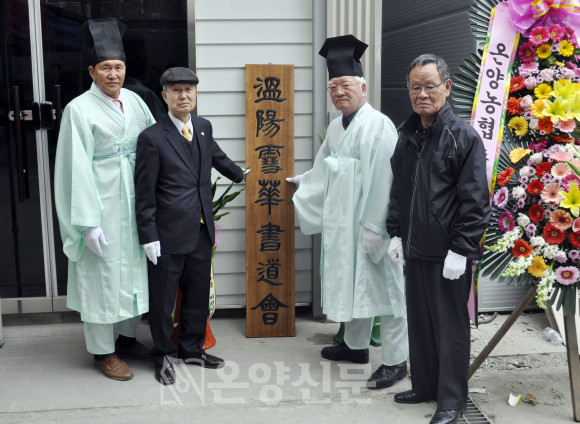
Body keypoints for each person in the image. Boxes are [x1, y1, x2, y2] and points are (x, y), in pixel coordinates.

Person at [287, 34, 408, 390]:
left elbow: (384, 179)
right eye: (333, 87)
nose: (339, 92)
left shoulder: (378, 125)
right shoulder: (336, 127)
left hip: (372, 225)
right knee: (355, 284)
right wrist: (303, 181)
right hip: (344, 222)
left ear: (363, 87)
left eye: (345, 85)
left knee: (386, 290)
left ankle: (396, 361)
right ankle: (355, 348)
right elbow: (325, 167)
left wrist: (375, 226)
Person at [386, 54, 491, 424]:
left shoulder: (462, 136)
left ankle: (451, 399)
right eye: (415, 87)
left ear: (446, 87)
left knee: (450, 329)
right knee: (420, 323)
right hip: (415, 249)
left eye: (430, 86)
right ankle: (425, 386)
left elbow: (475, 200)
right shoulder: (407, 135)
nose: (422, 94)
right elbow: (399, 190)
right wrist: (395, 233)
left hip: (449, 255)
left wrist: (462, 249)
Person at [54, 19, 155, 381]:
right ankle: (102, 351)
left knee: (133, 271)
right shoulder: (78, 110)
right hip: (102, 204)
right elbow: (75, 169)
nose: (113, 74)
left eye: (119, 67)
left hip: (135, 202)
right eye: (105, 68)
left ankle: (127, 339)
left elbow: (153, 146)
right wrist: (87, 223)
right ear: (92, 72)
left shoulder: (136, 101)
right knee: (101, 274)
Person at [134, 67, 246, 385]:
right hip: (167, 234)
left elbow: (216, 156)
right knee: (164, 300)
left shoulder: (203, 127)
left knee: (197, 293)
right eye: (176, 90)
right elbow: (144, 193)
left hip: (200, 228)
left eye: (189, 89)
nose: (184, 95)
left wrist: (241, 175)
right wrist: (149, 236)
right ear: (164, 95)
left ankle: (192, 349)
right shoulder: (152, 138)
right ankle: (163, 355)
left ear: (196, 93)